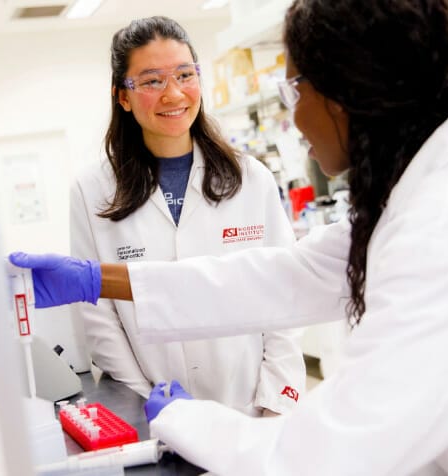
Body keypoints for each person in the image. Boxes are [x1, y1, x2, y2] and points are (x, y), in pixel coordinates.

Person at [9, 0, 448, 474]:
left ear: (345, 93)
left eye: (295, 90)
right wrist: (94, 279)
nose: (296, 119)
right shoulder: (422, 195)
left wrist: (188, 419)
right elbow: (283, 274)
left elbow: (331, 451)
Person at [69, 16, 307, 417]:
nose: (174, 93)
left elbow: (287, 295)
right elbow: (99, 318)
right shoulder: (92, 191)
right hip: (156, 415)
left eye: (184, 74)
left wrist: (274, 403)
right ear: (122, 96)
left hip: (252, 409)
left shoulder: (252, 179)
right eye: (151, 81)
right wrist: (148, 403)